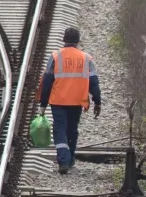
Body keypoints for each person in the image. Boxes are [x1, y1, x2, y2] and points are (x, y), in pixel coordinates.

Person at [39, 26, 101, 173]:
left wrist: (43, 104)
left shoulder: (55, 56)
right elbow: (94, 83)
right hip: (77, 101)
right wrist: (97, 101)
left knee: (60, 129)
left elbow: (47, 81)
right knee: (72, 130)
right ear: (78, 41)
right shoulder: (86, 58)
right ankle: (70, 159)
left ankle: (63, 161)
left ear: (64, 40)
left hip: (58, 101)